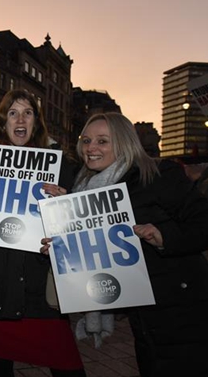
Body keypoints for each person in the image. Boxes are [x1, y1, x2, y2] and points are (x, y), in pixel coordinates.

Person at [42, 113, 208, 377]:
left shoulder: (157, 174)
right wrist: (62, 242)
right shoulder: (84, 187)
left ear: (124, 143)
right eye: (86, 140)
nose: (91, 148)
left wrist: (164, 237)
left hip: (182, 310)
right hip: (143, 317)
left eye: (102, 141)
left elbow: (203, 222)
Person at [0, 90, 85, 377]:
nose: (20, 119)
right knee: (0, 366)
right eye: (12, 113)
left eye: (27, 112)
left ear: (36, 122)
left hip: (40, 284)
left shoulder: (60, 164)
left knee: (66, 365)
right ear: (3, 122)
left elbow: (77, 229)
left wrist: (64, 204)